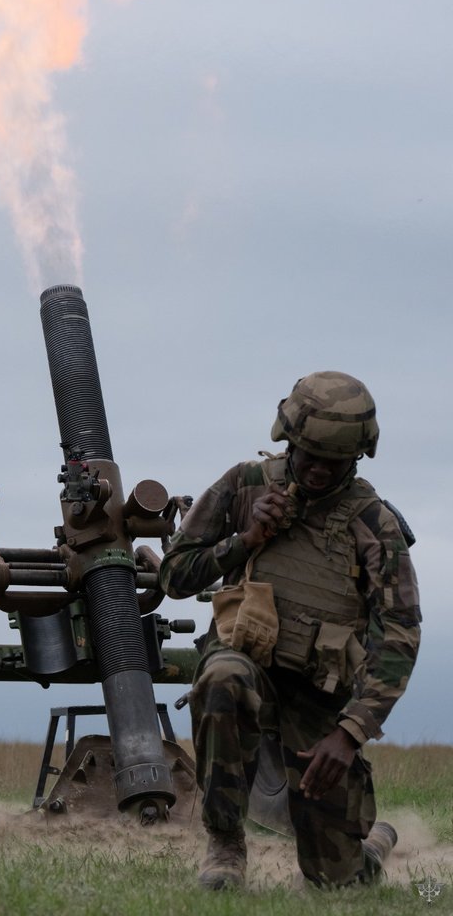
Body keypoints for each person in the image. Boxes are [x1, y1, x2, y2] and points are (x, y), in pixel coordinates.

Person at [160, 371, 421, 890]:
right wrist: (243, 539)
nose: (320, 470)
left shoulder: (374, 523)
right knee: (222, 679)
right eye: (309, 456)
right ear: (288, 441)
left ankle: (371, 847)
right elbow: (174, 575)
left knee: (335, 883)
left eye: (336, 461)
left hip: (320, 701)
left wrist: (350, 733)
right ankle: (226, 843)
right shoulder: (245, 485)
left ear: (358, 456)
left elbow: (399, 635)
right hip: (246, 663)